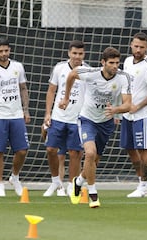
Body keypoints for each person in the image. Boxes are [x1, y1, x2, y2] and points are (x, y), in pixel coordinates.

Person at [59, 47, 132, 208]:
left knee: (93, 162)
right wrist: (66, 98)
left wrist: (116, 110)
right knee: (89, 153)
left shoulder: (123, 78)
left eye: (117, 63)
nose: (114, 66)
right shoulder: (90, 73)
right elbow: (72, 75)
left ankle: (78, 182)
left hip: (106, 123)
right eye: (111, 63)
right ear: (103, 62)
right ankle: (93, 194)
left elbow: (128, 105)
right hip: (87, 119)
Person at [0, 37, 30, 197]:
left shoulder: (18, 67)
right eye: (0, 51)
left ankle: (14, 177)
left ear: (10, 50)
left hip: (16, 115)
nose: (4, 54)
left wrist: (26, 110)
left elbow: (23, 88)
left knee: (22, 150)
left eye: (6, 51)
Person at [42, 40, 87, 197]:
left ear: (84, 55)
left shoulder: (88, 71)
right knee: (51, 149)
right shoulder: (59, 68)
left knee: (75, 153)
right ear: (69, 53)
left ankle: (72, 185)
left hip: (77, 119)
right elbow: (51, 90)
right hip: (58, 117)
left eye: (80, 54)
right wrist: (48, 113)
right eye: (74, 53)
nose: (77, 57)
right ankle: (56, 182)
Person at [120, 32, 147, 198]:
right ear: (131, 45)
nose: (138, 49)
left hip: (142, 115)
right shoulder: (127, 61)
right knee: (129, 148)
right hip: (127, 115)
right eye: (136, 46)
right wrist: (121, 108)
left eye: (141, 47)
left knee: (143, 148)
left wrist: (138, 106)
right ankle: (144, 183)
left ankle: (143, 184)